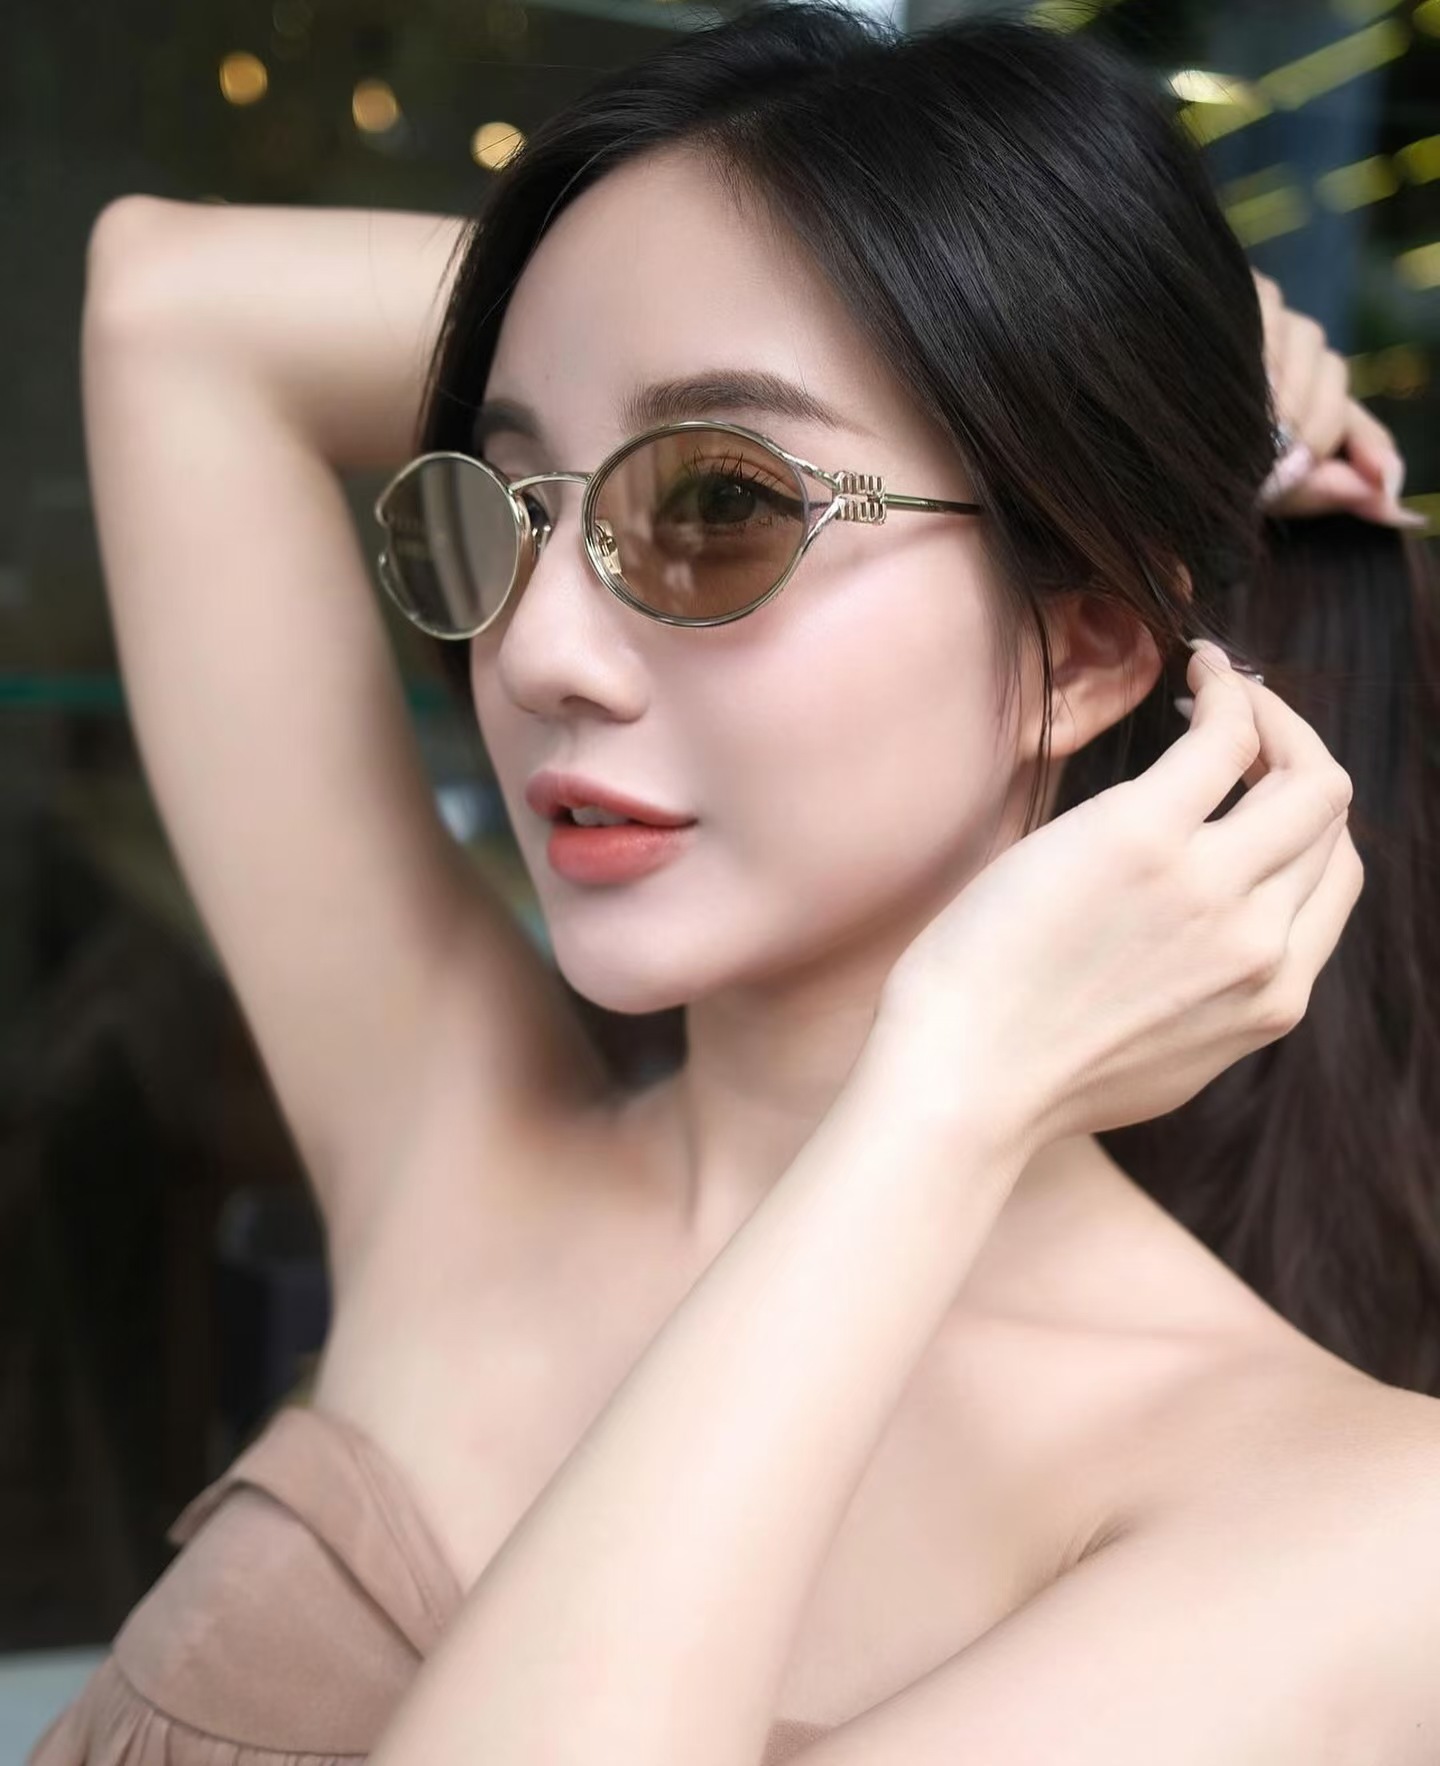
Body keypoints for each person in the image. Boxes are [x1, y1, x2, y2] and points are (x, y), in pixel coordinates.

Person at [39, 3, 1439, 1762]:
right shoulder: (462, 1141)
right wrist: (1148, 339)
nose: (536, 649)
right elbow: (173, 305)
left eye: (716, 504)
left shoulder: (1360, 1535)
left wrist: (948, 1102)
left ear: (1086, 644)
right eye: (511, 504)